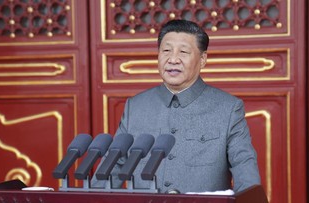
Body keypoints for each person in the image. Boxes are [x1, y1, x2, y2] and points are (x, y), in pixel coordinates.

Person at [92, 19, 261, 194]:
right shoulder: (136, 106)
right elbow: (114, 168)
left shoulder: (228, 108)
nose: (173, 59)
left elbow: (244, 166)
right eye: (166, 50)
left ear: (202, 59)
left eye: (184, 52)